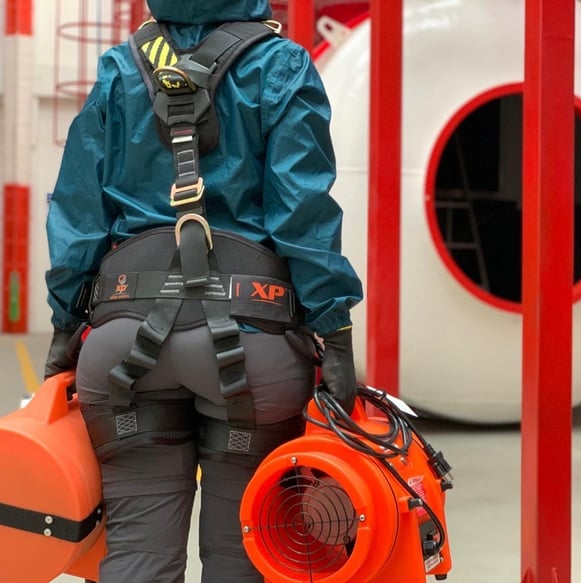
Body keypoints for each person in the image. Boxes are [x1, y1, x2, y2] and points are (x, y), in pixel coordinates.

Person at [43, 1, 363, 581]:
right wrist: (333, 327)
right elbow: (302, 213)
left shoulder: (120, 67)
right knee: (245, 551)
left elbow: (78, 205)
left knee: (137, 555)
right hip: (250, 347)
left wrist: (65, 322)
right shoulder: (282, 65)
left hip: (123, 346)